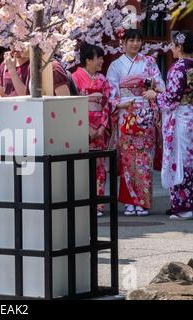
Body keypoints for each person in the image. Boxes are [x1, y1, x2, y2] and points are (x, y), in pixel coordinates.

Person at [107, 28, 165, 216]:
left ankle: (142, 201)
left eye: (138, 40)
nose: (135, 44)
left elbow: (161, 85)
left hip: (145, 115)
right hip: (126, 113)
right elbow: (111, 93)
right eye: (130, 40)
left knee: (144, 160)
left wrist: (153, 90)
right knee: (127, 160)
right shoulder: (116, 66)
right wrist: (122, 103)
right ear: (122, 43)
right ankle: (129, 201)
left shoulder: (149, 62)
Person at [144, 31, 193, 220]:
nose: (171, 49)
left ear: (180, 47)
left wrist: (155, 96)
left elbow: (172, 99)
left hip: (181, 119)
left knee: (179, 160)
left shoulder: (177, 69)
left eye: (173, 45)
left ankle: (183, 207)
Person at [72, 43, 111, 217]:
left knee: (100, 166)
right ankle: (82, 202)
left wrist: (102, 126)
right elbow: (73, 105)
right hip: (82, 126)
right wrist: (86, 127)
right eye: (99, 58)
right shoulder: (74, 78)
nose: (102, 61)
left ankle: (98, 203)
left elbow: (107, 104)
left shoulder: (103, 80)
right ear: (88, 60)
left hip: (99, 128)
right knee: (82, 166)